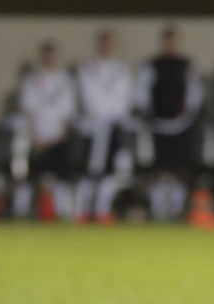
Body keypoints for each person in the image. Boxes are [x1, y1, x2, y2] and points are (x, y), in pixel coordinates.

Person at [134, 26, 204, 221]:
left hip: (181, 125)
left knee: (180, 170)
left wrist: (186, 117)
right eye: (167, 41)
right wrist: (148, 115)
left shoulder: (186, 65)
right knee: (158, 169)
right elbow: (142, 92)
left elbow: (195, 94)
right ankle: (158, 211)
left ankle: (177, 211)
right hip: (157, 124)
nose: (170, 45)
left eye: (173, 41)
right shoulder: (152, 65)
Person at [75, 30, 134, 223]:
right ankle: (82, 211)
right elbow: (88, 97)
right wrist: (99, 118)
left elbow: (126, 98)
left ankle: (102, 210)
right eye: (104, 43)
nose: (107, 47)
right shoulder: (88, 68)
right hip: (94, 129)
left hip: (116, 127)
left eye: (110, 43)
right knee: (91, 172)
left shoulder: (121, 69)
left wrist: (118, 119)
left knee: (113, 172)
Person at [16, 40, 77, 220]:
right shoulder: (32, 80)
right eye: (47, 54)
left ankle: (63, 212)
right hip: (38, 138)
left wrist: (62, 135)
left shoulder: (65, 80)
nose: (50, 58)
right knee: (31, 177)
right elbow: (28, 110)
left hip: (58, 138)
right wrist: (35, 136)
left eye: (53, 54)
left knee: (61, 178)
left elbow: (68, 112)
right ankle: (21, 212)